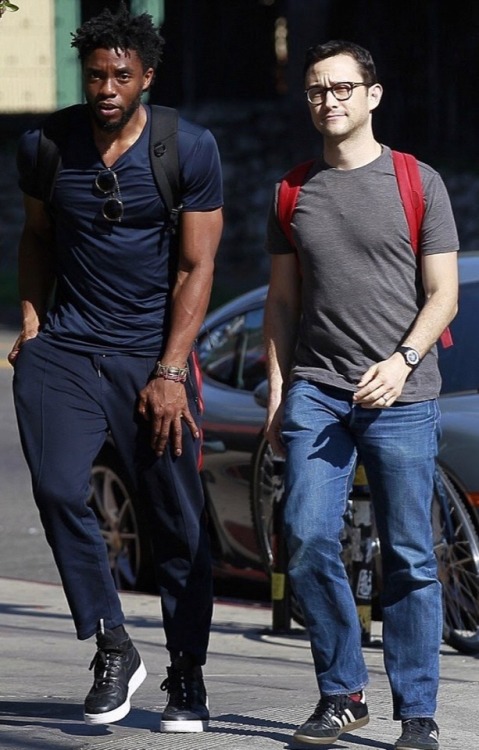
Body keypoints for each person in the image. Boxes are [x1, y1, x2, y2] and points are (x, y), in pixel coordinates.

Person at [9, 4, 223, 733]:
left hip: (151, 356)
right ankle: (111, 643)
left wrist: (170, 370)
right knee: (58, 488)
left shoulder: (186, 149)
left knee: (175, 523)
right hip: (65, 348)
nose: (106, 86)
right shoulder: (44, 144)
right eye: (95, 73)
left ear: (146, 77)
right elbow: (36, 236)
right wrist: (33, 318)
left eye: (120, 75)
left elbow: (197, 268)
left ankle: (187, 675)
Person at [264, 40, 458, 750]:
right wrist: (279, 389)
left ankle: (416, 712)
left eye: (342, 88)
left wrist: (402, 362)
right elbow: (281, 304)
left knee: (407, 554)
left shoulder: (416, 181)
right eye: (317, 91)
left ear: (371, 96)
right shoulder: (291, 191)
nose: (329, 101)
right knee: (308, 536)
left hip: (402, 395)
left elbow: (442, 295)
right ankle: (342, 694)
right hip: (317, 391)